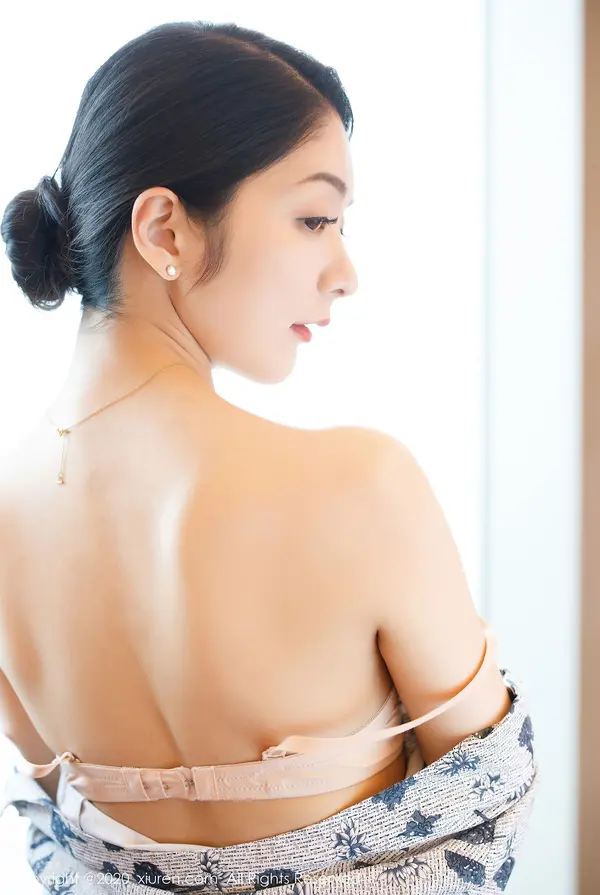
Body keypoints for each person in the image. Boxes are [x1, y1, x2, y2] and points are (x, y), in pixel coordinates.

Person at [0, 20, 536, 895]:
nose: (345, 272)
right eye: (315, 218)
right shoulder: (362, 490)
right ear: (165, 230)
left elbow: (61, 825)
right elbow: (488, 802)